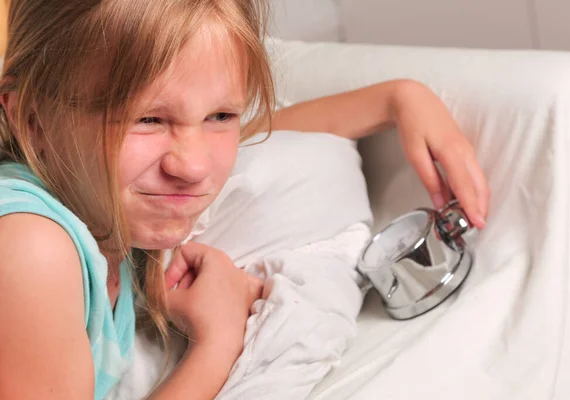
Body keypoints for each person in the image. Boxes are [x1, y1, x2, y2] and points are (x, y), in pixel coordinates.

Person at [0, 1, 489, 399]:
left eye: (220, 115)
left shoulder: (94, 200)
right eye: (146, 119)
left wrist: (399, 98)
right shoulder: (29, 246)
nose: (193, 166)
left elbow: (262, 136)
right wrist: (219, 341)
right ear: (33, 118)